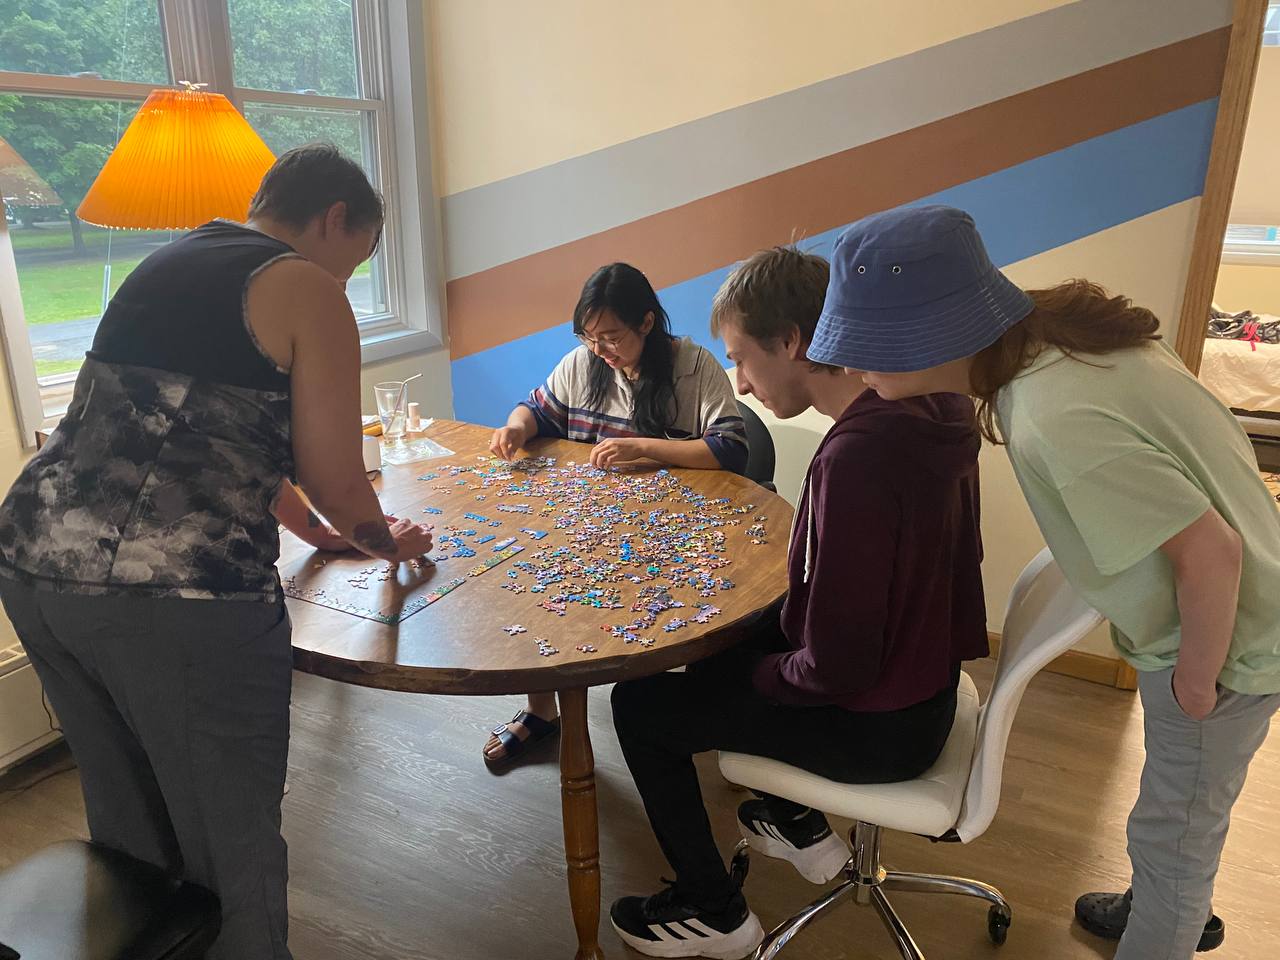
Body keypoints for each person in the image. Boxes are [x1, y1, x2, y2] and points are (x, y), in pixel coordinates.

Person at [807, 203, 1280, 959]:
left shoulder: (1053, 412)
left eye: (865, 345)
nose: (853, 366)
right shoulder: (1055, 336)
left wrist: (1195, 685)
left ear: (931, 334)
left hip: (1227, 645)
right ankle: (1157, 902)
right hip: (1228, 604)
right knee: (1177, 818)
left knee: (1177, 840)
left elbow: (1211, 555)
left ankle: (1165, 917)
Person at [0, 144, 435, 960]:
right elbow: (337, 478)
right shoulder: (303, 285)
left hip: (33, 561)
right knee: (230, 841)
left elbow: (228, 447)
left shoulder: (166, 261)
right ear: (335, 218)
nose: (346, 282)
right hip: (179, 598)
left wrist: (326, 539)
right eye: (355, 261)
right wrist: (386, 545)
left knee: (128, 824)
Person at [606, 246, 989, 959]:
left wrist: (750, 676)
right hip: (922, 685)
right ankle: (799, 824)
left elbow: (835, 669)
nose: (742, 387)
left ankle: (712, 910)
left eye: (744, 360)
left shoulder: (858, 459)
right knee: (743, 641)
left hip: (877, 724)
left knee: (640, 705)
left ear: (795, 342)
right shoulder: (935, 406)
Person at [482, 262, 748, 768]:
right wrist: (515, 427)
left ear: (647, 323)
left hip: (674, 526)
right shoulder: (582, 365)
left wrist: (643, 447)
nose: (599, 349)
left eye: (611, 336)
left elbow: (732, 450)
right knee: (540, 573)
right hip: (592, 521)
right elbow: (536, 411)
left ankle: (688, 713)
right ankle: (542, 711)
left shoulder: (693, 367)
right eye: (588, 337)